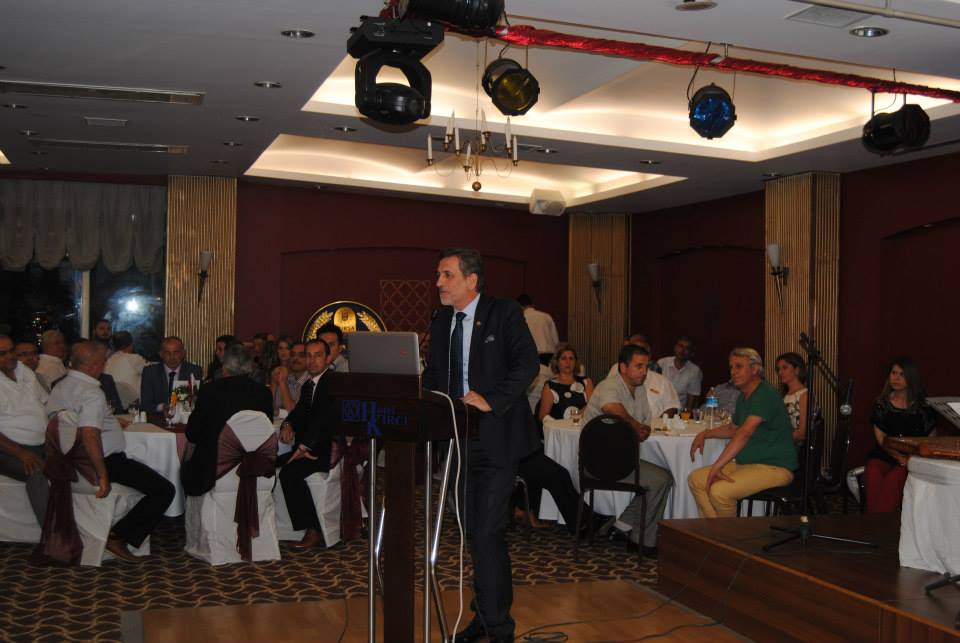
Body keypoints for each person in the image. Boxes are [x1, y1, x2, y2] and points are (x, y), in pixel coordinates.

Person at [423, 248, 539, 643]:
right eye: (439, 275)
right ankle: (486, 618)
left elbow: (528, 364)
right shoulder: (442, 320)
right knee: (474, 532)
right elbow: (435, 376)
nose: (438, 283)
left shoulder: (504, 313)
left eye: (447, 275)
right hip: (458, 440)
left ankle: (499, 628)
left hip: (498, 439)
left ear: (471, 280)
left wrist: (492, 398)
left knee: (488, 532)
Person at [46, 341, 174, 561]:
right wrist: (102, 474)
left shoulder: (62, 385)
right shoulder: (91, 392)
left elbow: (72, 422)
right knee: (164, 489)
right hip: (101, 462)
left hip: (67, 462)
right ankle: (118, 536)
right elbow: (89, 434)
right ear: (96, 365)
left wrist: (110, 422)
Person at [583, 344, 673, 557]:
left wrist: (644, 429)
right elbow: (612, 409)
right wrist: (636, 425)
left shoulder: (639, 390)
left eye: (646, 367)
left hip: (622, 460)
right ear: (623, 367)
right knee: (660, 481)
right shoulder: (609, 386)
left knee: (662, 478)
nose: (644, 372)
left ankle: (622, 525)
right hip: (598, 462)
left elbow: (645, 422)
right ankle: (643, 542)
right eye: (639, 366)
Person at [688, 348, 798, 518]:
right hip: (748, 464)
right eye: (731, 367)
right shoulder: (744, 396)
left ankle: (727, 533)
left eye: (739, 366)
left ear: (755, 369)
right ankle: (714, 530)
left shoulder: (765, 394)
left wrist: (717, 466)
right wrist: (706, 433)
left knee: (720, 492)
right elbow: (734, 428)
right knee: (696, 480)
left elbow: (744, 433)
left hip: (775, 467)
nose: (733, 372)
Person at [182, 344, 274, 497]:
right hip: (253, 465)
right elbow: (266, 428)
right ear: (250, 368)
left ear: (224, 368)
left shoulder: (210, 391)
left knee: (184, 463)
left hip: (213, 469)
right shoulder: (263, 393)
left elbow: (192, 433)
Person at [277, 339, 337, 549]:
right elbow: (298, 413)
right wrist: (287, 424)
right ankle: (278, 527)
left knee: (289, 473)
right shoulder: (309, 386)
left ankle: (313, 529)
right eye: (308, 355)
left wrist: (305, 447)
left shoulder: (332, 383)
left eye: (317, 355)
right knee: (270, 462)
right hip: (309, 448)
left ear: (328, 358)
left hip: (326, 451)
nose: (312, 360)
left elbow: (325, 420)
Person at [863, 357, 936, 514]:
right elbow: (881, 439)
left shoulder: (923, 407)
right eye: (893, 373)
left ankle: (876, 522)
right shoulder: (881, 404)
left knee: (894, 478)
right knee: (873, 472)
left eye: (902, 374)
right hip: (885, 454)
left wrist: (909, 459)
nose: (896, 378)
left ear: (911, 377)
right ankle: (875, 521)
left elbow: (930, 440)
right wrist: (898, 457)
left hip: (913, 458)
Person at [0, 334, 50, 527]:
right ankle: (52, 536)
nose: (10, 356)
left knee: (69, 464)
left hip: (41, 444)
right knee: (36, 472)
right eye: (2, 353)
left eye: (11, 350)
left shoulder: (24, 371)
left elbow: (45, 403)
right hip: (8, 449)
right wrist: (20, 452)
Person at [606, 336, 678, 418]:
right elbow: (609, 405)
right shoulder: (617, 370)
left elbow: (672, 407)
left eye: (642, 351)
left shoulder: (662, 381)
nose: (644, 372)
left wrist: (657, 422)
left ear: (649, 356)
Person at [140, 336, 203, 412]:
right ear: (161, 354)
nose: (172, 357)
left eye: (176, 352)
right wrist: (163, 407)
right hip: (158, 416)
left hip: (185, 416)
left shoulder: (194, 371)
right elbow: (146, 404)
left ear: (183, 353)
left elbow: (199, 402)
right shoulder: (150, 372)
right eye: (167, 353)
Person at [538, 343, 593, 421]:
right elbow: (543, 416)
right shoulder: (550, 386)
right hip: (559, 427)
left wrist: (578, 415)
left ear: (575, 362)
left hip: (583, 425)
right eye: (563, 358)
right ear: (557, 362)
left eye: (571, 358)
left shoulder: (586, 382)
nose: (568, 362)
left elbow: (593, 407)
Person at [104, 331, 147, 409]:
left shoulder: (108, 361)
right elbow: (151, 372)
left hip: (113, 405)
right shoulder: (134, 359)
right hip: (133, 406)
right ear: (131, 344)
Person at [658, 336, 703, 409]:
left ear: (691, 353)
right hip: (658, 406)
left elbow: (691, 401)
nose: (682, 350)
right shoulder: (662, 363)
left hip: (678, 411)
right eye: (680, 346)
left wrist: (687, 415)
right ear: (675, 348)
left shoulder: (695, 371)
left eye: (687, 348)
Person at [517, 294, 559, 366]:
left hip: (531, 356)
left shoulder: (520, 319)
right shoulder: (546, 316)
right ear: (532, 304)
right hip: (549, 355)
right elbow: (556, 340)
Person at [775, 352, 808, 443]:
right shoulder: (782, 396)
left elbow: (802, 434)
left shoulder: (804, 395)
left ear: (797, 370)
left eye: (785, 368)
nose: (780, 372)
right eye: (778, 369)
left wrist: (775, 439)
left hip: (795, 446)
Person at [271, 340, 310, 414]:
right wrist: (274, 383)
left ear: (308, 358)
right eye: (293, 354)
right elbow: (268, 406)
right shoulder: (289, 377)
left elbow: (295, 412)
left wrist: (283, 383)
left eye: (301, 355)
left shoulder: (310, 381)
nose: (295, 358)